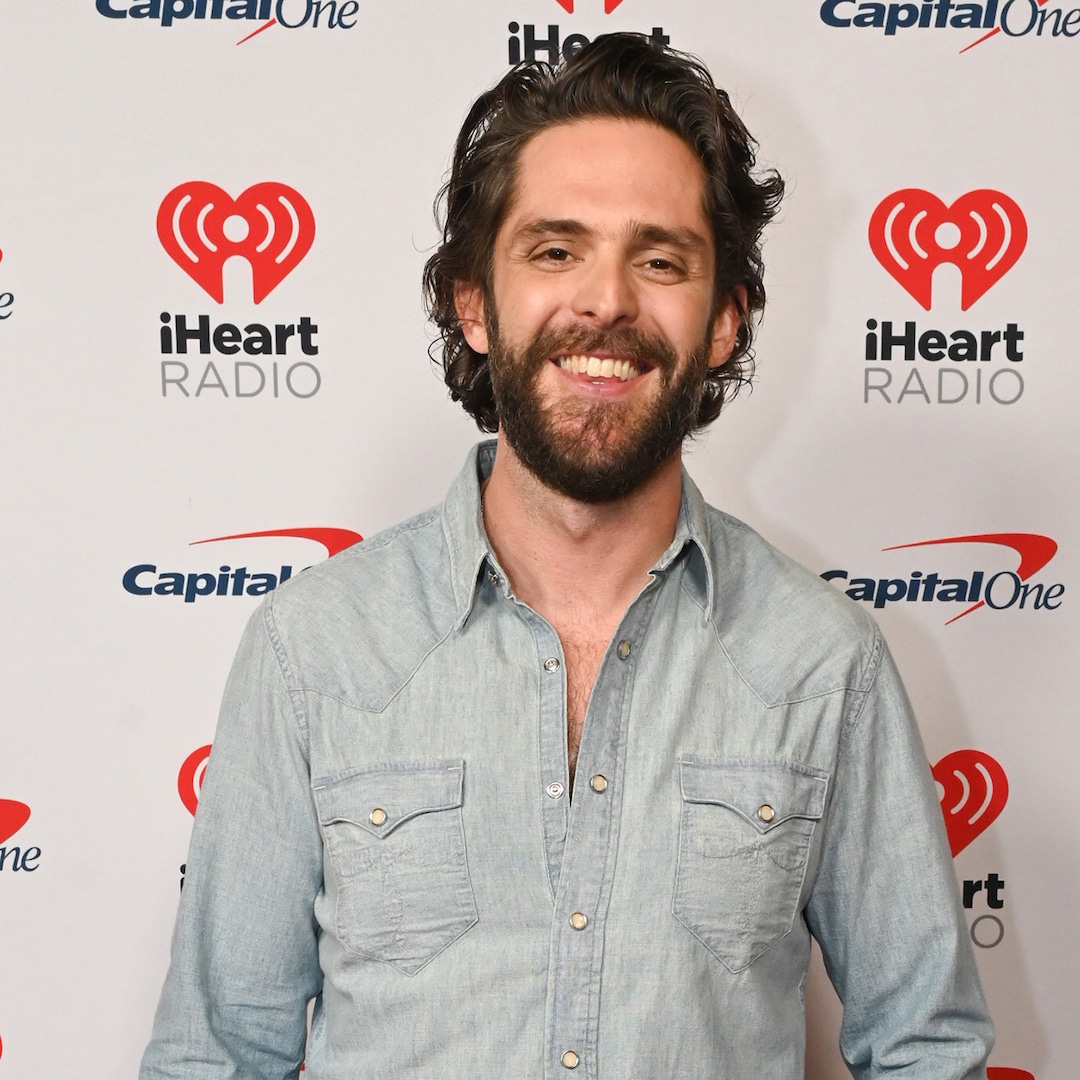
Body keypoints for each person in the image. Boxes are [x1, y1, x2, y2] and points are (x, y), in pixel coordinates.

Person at [140, 33, 993, 1080]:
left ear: (723, 323)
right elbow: (219, 1054)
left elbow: (926, 1047)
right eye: (555, 251)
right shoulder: (311, 647)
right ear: (473, 305)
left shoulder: (823, 660)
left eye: (660, 260)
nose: (606, 301)